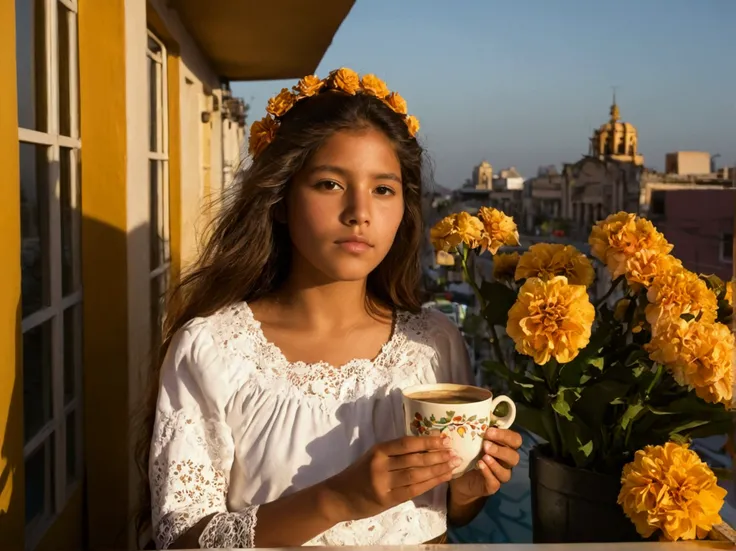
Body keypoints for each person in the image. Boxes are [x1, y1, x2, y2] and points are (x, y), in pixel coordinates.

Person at [138, 68, 522, 549]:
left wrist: (468, 489)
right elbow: (180, 540)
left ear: (405, 208)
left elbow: (441, 514)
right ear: (279, 199)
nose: (359, 211)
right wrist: (339, 499)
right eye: (329, 184)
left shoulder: (433, 341)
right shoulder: (213, 349)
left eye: (383, 189)